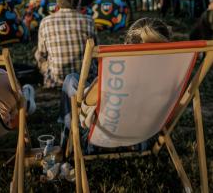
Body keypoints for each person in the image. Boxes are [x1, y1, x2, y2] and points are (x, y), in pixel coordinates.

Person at [58, 17, 171, 150]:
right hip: (143, 137)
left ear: (126, 45)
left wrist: (96, 86)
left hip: (103, 139)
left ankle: (66, 144)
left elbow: (84, 112)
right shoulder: (172, 74)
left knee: (71, 80)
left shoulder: (112, 78)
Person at [35, 0, 96, 88]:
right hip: (85, 79)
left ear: (57, 2)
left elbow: (41, 55)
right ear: (78, 2)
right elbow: (95, 51)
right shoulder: (89, 21)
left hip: (55, 80)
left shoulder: (45, 22)